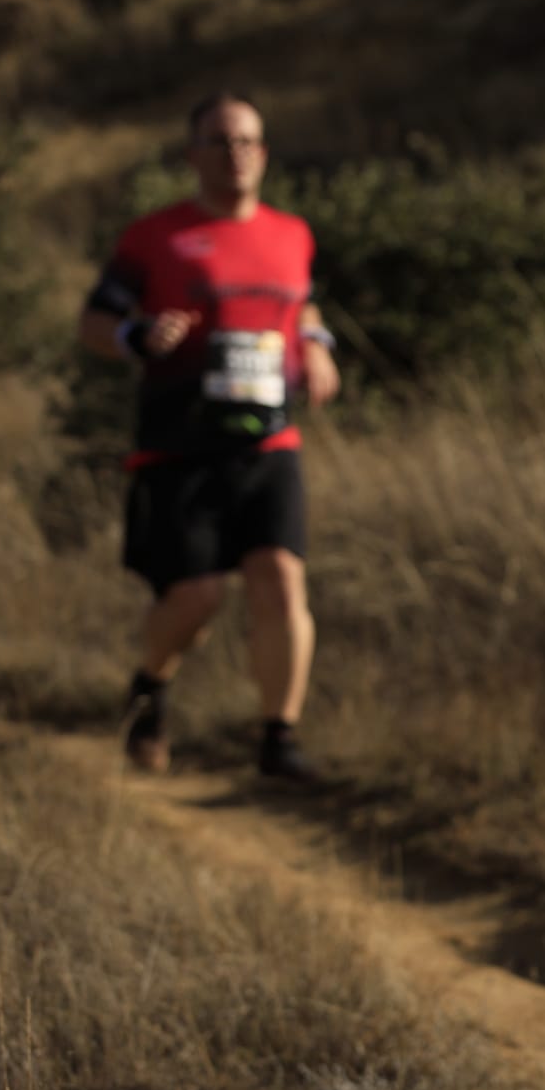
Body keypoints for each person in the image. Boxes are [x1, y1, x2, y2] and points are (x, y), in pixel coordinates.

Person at [78, 92, 340, 784]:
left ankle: (278, 737)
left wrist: (315, 343)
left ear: (265, 152)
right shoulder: (154, 236)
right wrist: (136, 336)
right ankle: (150, 684)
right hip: (179, 443)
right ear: (193, 154)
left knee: (281, 579)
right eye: (221, 142)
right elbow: (94, 323)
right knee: (196, 596)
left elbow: (300, 301)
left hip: (269, 441)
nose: (237, 154)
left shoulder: (292, 232)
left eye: (249, 141)